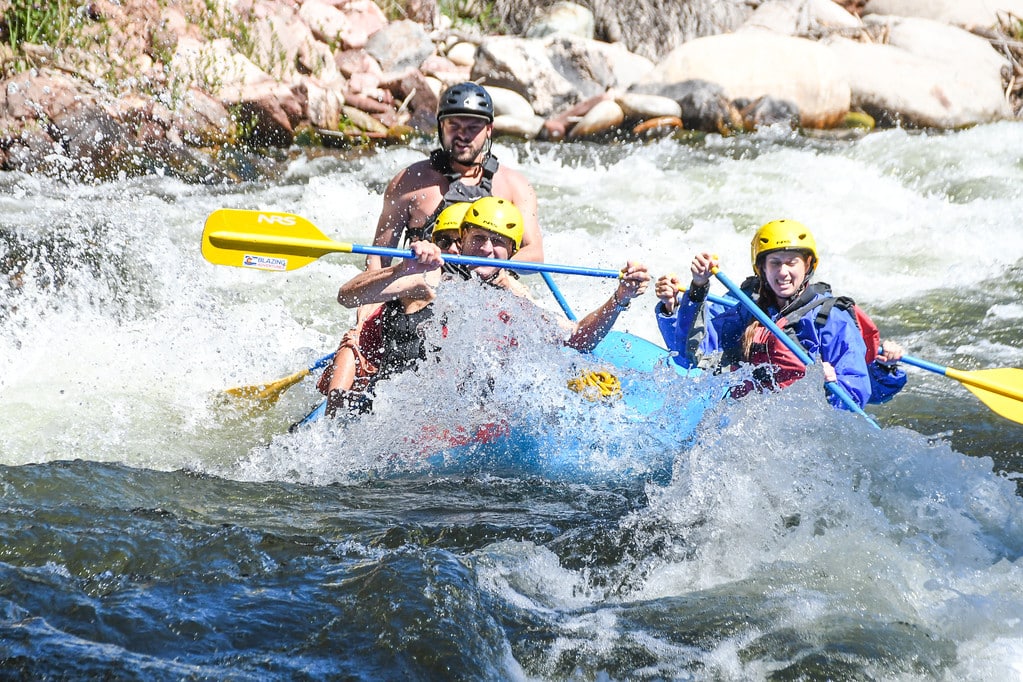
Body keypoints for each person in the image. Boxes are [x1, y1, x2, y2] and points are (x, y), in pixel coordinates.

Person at [317, 81, 543, 404]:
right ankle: (340, 401)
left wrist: (491, 270)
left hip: (489, 295)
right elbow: (379, 258)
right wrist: (365, 318)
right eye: (454, 125)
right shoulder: (409, 183)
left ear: (489, 130)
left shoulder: (514, 185)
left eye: (473, 127)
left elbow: (534, 255)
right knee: (355, 340)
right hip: (421, 291)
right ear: (440, 128)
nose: (462, 135)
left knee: (547, 323)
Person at [331, 196, 648, 415]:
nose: (486, 249)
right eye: (478, 238)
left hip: (464, 414)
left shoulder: (514, 293)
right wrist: (401, 269)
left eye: (498, 242)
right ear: (463, 238)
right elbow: (348, 297)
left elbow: (577, 337)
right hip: (398, 404)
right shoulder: (429, 279)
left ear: (511, 251)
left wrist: (619, 298)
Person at [654, 219, 874, 410]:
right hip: (745, 420)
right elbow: (689, 354)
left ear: (808, 265)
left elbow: (855, 395)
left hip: (804, 429)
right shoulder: (746, 307)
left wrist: (832, 386)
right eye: (775, 263)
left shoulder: (832, 317)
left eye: (791, 262)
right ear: (762, 268)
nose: (783, 272)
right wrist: (694, 291)